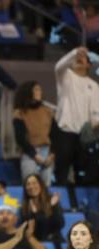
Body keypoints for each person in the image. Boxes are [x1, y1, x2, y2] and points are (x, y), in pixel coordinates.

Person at [53, 47, 99, 185]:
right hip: (64, 133)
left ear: (89, 65)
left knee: (83, 174)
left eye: (84, 58)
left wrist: (96, 126)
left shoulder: (94, 85)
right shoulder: (65, 76)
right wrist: (74, 52)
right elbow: (58, 66)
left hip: (84, 136)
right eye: (77, 58)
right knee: (61, 173)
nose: (80, 59)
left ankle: (81, 204)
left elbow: (95, 112)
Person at [13, 81, 55, 186]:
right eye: (36, 89)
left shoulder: (47, 111)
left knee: (46, 187)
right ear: (29, 92)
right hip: (29, 154)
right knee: (30, 185)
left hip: (47, 152)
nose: (39, 92)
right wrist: (34, 155)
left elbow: (55, 135)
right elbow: (20, 138)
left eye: (39, 89)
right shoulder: (20, 113)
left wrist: (52, 154)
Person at [20, 174, 64, 248]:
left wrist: (50, 207)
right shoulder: (24, 208)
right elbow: (37, 231)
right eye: (28, 184)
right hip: (35, 244)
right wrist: (48, 207)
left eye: (34, 183)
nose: (31, 187)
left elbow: (59, 224)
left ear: (41, 185)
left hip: (55, 242)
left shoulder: (52, 201)